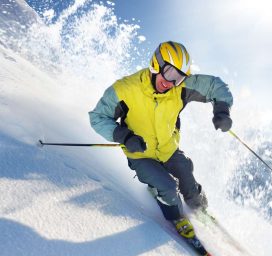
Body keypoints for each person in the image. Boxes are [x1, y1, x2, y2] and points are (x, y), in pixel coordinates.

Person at [89, 41, 233, 240]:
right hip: (140, 154)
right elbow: (98, 117)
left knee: (187, 176)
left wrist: (222, 111)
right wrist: (124, 136)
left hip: (168, 149)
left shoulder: (180, 87)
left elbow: (215, 85)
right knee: (168, 188)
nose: (171, 82)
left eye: (179, 77)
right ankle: (176, 217)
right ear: (155, 64)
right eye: (169, 73)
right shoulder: (125, 89)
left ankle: (199, 208)